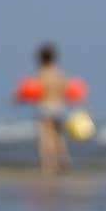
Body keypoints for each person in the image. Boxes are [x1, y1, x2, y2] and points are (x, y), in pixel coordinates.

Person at [34, 44, 70, 175]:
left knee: (46, 137)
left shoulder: (42, 73)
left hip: (46, 106)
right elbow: (66, 91)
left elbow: (36, 91)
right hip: (59, 107)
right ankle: (63, 158)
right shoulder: (59, 73)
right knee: (59, 135)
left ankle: (48, 164)